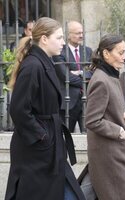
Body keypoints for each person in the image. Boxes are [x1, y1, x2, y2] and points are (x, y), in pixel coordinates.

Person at [4, 17, 85, 200]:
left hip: (50, 147)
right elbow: (18, 109)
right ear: (44, 39)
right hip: (37, 151)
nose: (63, 42)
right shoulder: (33, 66)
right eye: (59, 37)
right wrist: (41, 136)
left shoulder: (45, 62)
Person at [85, 34, 125, 200]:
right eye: (121, 52)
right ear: (106, 54)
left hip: (114, 150)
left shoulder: (112, 75)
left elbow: (108, 110)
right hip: (108, 153)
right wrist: (117, 130)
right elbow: (92, 120)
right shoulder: (101, 80)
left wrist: (123, 116)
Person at [53, 20, 92, 133]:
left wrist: (79, 73)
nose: (81, 35)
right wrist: (86, 78)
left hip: (87, 99)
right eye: (77, 33)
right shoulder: (60, 52)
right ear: (68, 35)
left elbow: (94, 72)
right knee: (65, 136)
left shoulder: (88, 51)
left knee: (88, 136)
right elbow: (66, 77)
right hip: (68, 101)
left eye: (82, 33)